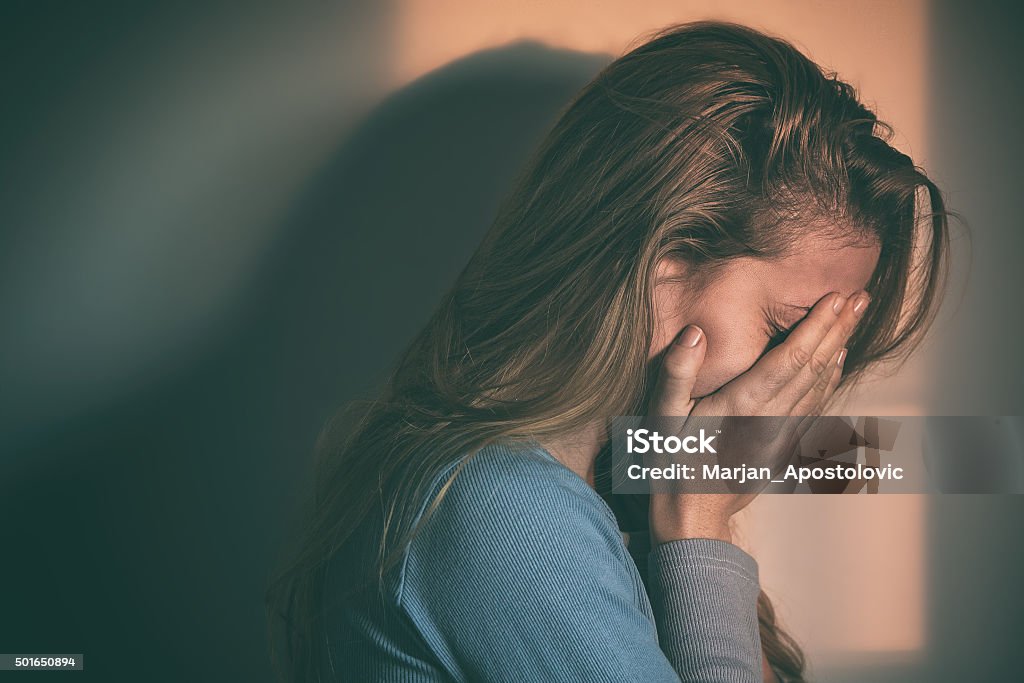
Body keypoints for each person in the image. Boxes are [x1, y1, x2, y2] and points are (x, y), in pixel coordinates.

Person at [267, 21, 949, 683]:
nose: (807, 380)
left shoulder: (602, 489)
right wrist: (700, 520)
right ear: (664, 260)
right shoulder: (499, 509)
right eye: (788, 330)